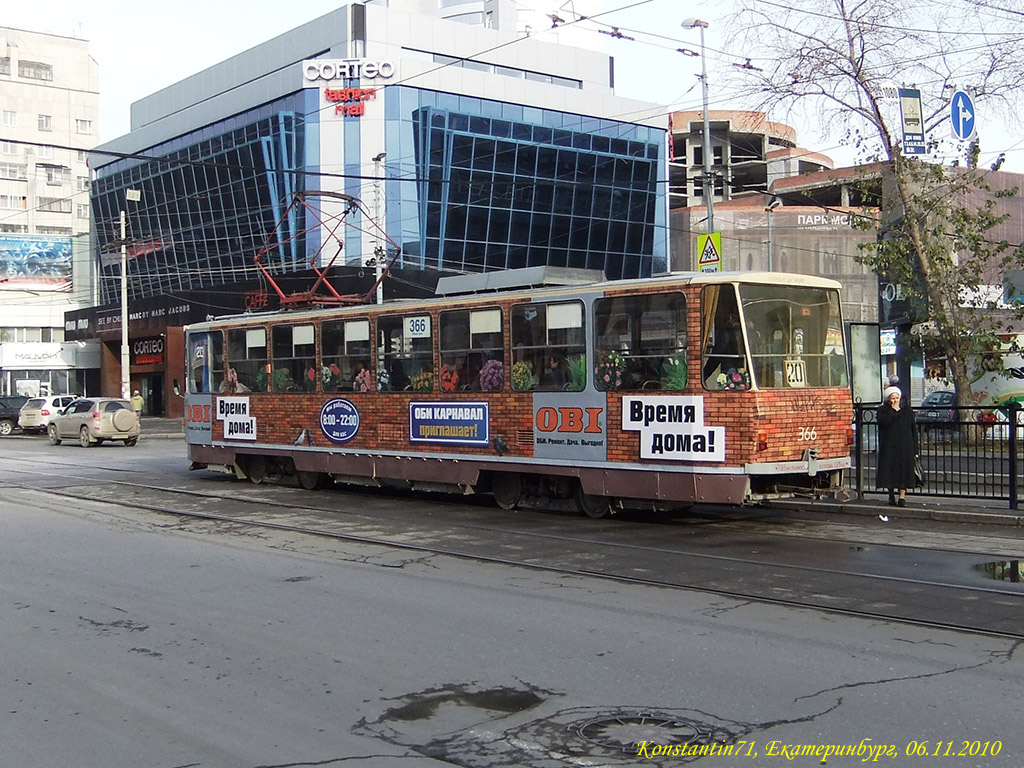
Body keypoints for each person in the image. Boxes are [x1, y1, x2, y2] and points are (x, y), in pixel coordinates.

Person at [876, 385, 918, 507]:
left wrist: (915, 447)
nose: (895, 401)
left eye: (897, 398)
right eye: (892, 398)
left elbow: (913, 429)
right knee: (890, 471)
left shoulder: (907, 411)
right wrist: (894, 411)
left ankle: (902, 497)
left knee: (903, 471)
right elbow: (885, 422)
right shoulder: (883, 411)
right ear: (888, 399)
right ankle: (891, 495)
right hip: (889, 446)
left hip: (905, 446)